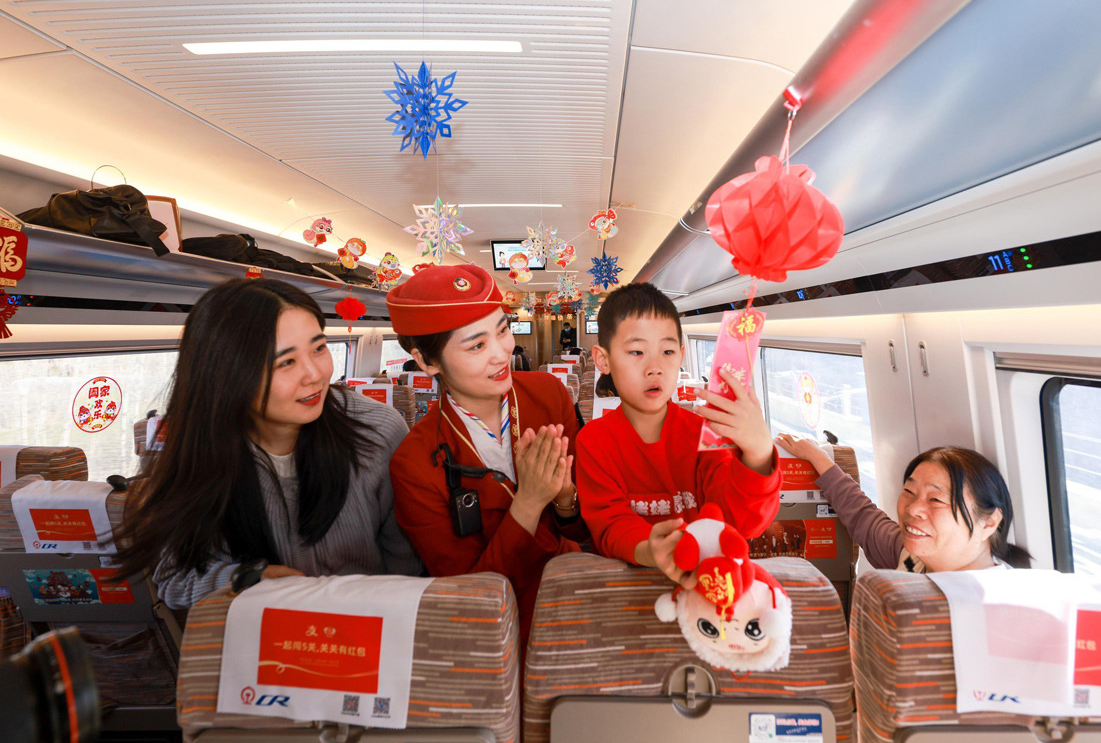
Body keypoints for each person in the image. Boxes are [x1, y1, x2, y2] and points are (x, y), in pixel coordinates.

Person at [113, 279, 422, 608]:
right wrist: (243, 580)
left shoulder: (377, 430)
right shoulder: (195, 451)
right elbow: (175, 580)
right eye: (286, 362)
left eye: (319, 348)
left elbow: (408, 568)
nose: (315, 374)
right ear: (228, 375)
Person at [386, 264, 588, 642]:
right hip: (498, 631)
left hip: (572, 589)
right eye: (477, 345)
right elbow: (471, 595)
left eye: (503, 330)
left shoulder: (548, 394)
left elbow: (587, 530)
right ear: (427, 361)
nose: (502, 353)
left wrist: (565, 499)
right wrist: (529, 501)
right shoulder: (415, 463)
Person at [576, 283, 781, 589]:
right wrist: (652, 550)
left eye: (668, 352)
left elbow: (741, 523)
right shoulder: (593, 440)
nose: (655, 368)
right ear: (603, 360)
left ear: (682, 355)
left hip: (702, 584)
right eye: (636, 352)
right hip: (627, 586)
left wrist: (759, 453)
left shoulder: (705, 434)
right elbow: (610, 524)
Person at [774, 435, 1032, 571]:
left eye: (936, 499)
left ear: (989, 523)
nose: (912, 509)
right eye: (909, 491)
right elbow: (862, 516)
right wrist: (816, 457)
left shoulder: (1010, 605)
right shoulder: (910, 557)